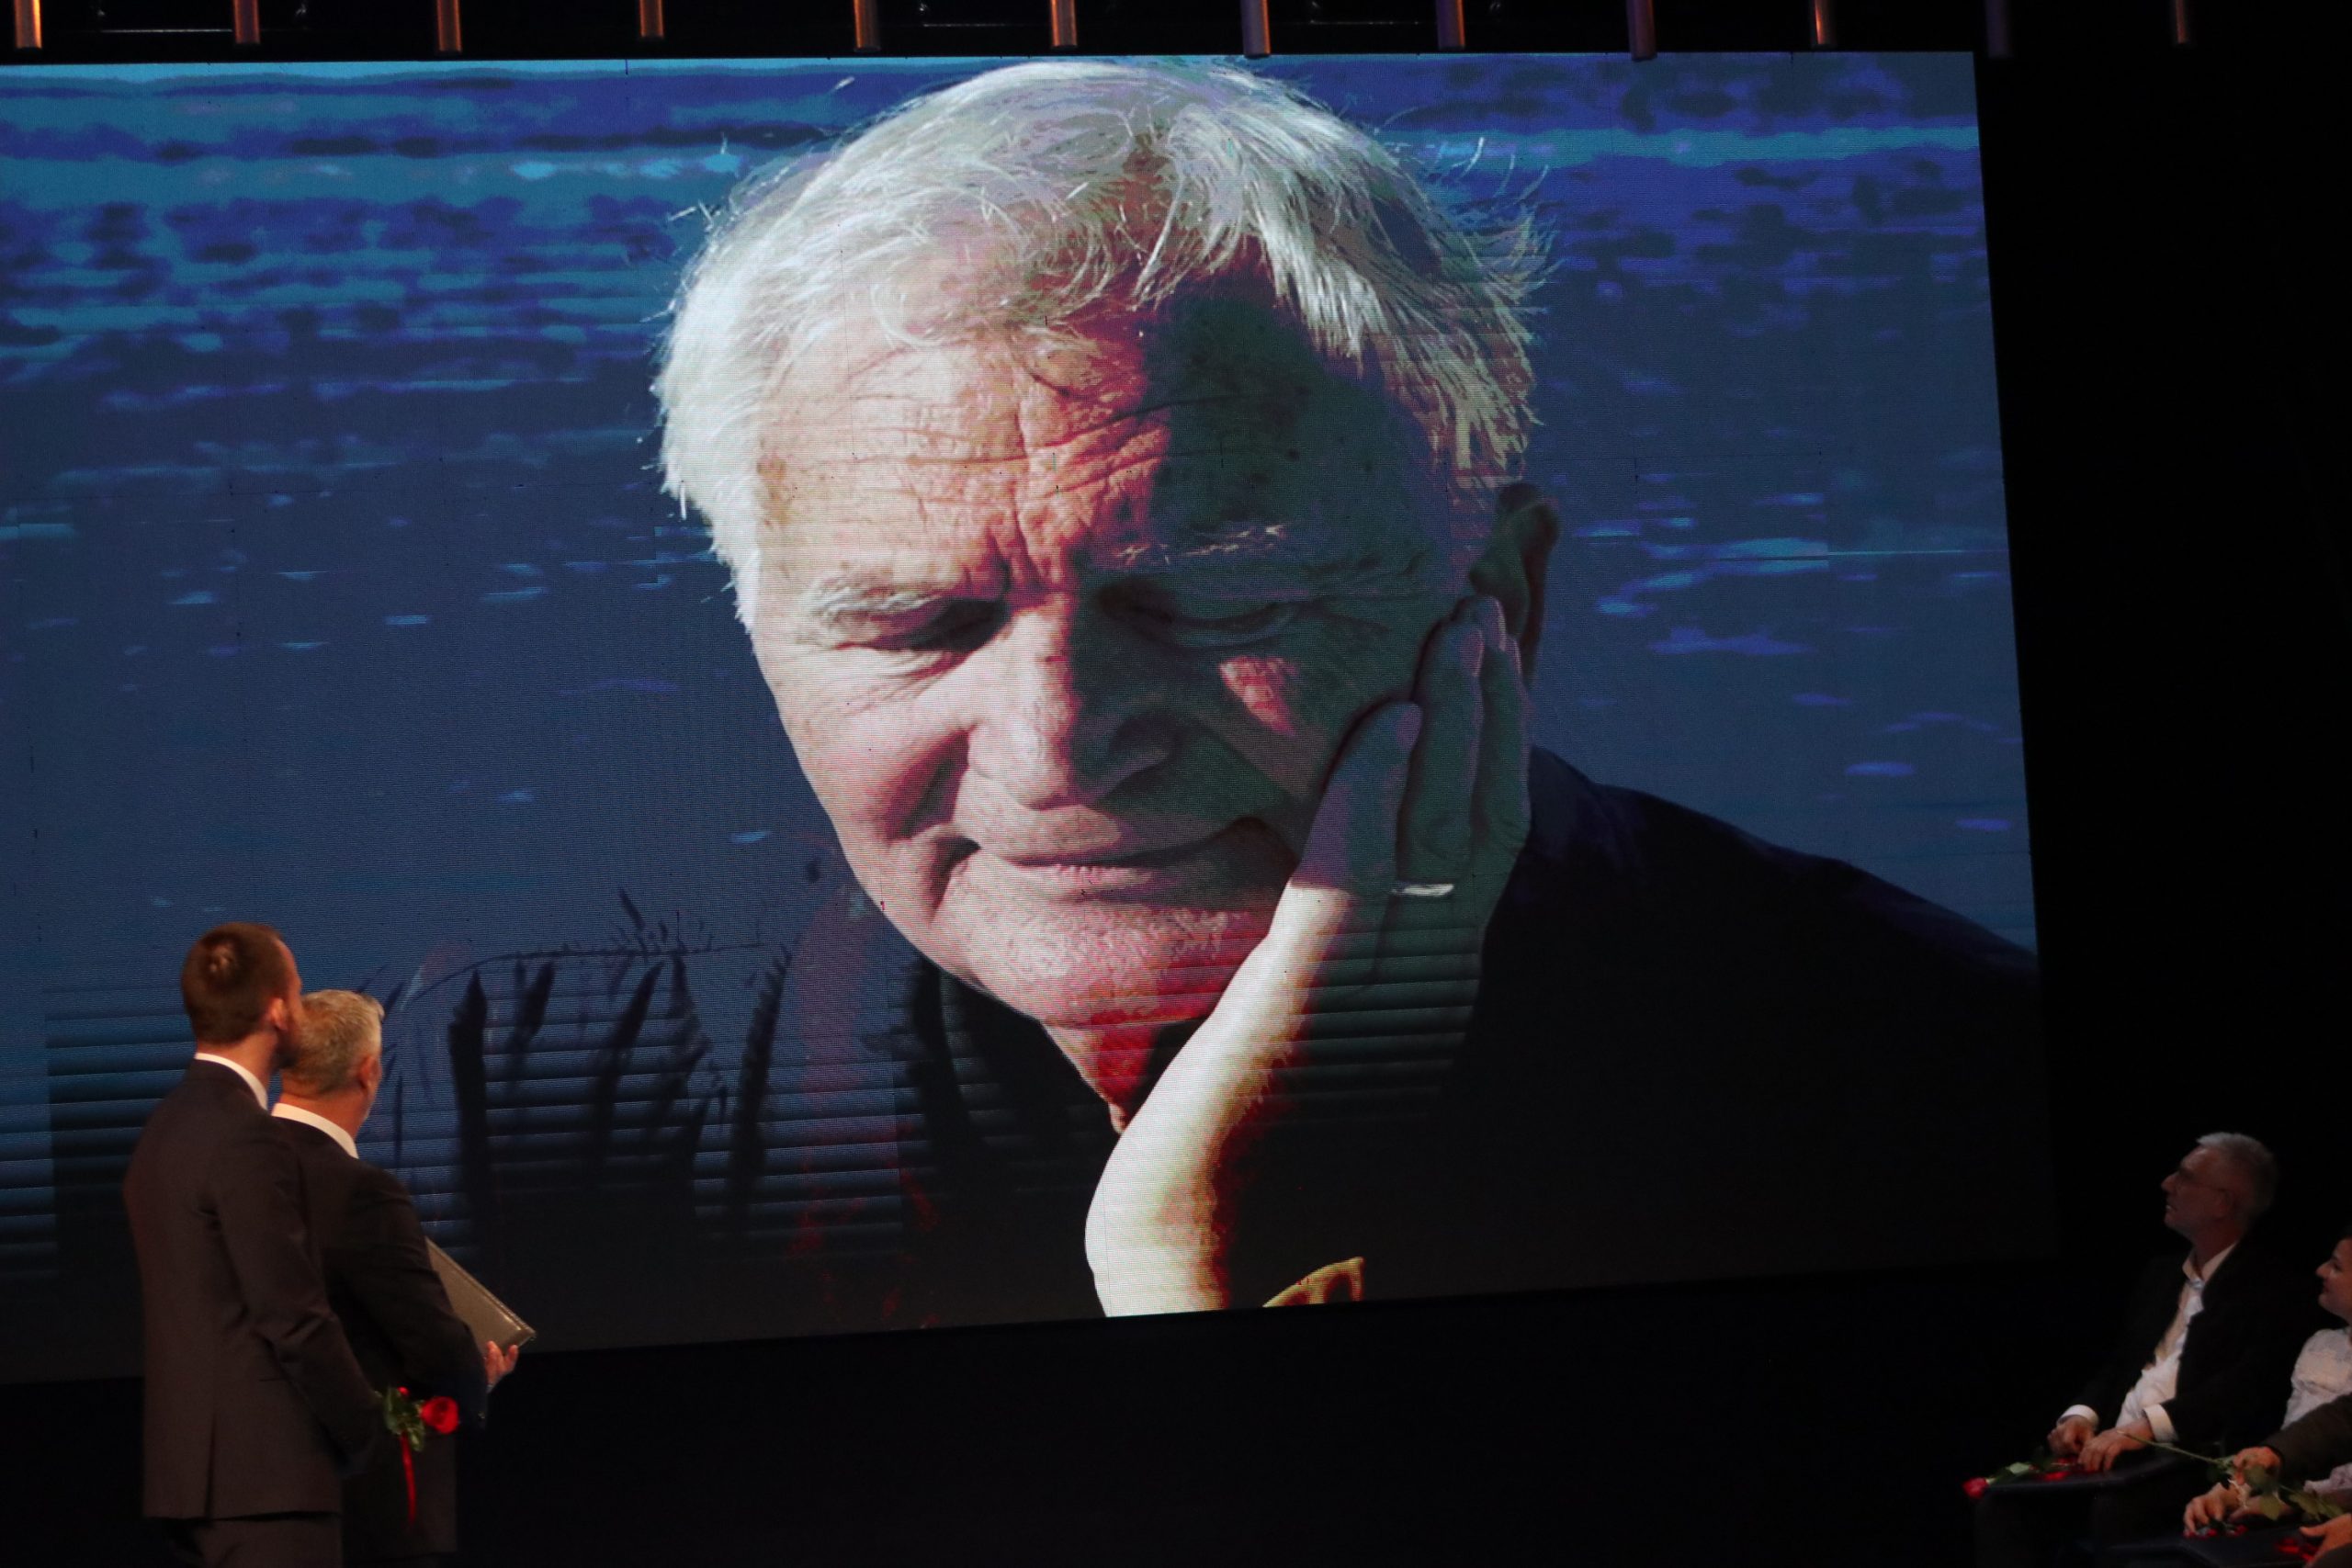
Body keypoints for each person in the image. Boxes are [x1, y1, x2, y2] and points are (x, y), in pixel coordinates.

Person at [640, 58, 2046, 1327]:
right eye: (915, 625)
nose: (1059, 746)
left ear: (1500, 601)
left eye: (1214, 603)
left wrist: (1197, 1254)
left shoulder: (1950, 1094)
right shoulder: (550, 1084)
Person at [124, 923, 381, 1568]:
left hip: (195, 1475)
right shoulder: (246, 1135)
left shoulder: (166, 1126)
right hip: (266, 1478)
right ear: (276, 1010)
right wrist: (365, 1425)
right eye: (296, 991)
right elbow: (291, 1313)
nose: (300, 1008)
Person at [1973, 1134, 2320, 1568]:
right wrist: (2082, 1415)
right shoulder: (2161, 1274)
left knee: (2116, 1510)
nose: (2167, 1183)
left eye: (2185, 1177)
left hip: (2188, 1460)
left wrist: (2145, 1428)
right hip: (2115, 1453)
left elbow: (2241, 1390)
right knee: (2002, 1507)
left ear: (2222, 1203)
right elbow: (2121, 1365)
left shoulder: (2273, 1288)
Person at [271, 990, 517, 1567]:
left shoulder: (234, 1167)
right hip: (366, 1498)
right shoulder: (362, 1192)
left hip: (258, 1481)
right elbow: (431, 1340)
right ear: (369, 1071)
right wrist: (471, 1375)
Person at [2178, 1228, 2352, 1562]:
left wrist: (2297, 1505)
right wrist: (2239, 1487)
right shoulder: (2322, 1345)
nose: (2320, 1271)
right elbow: (2332, 1426)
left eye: (2337, 1266)